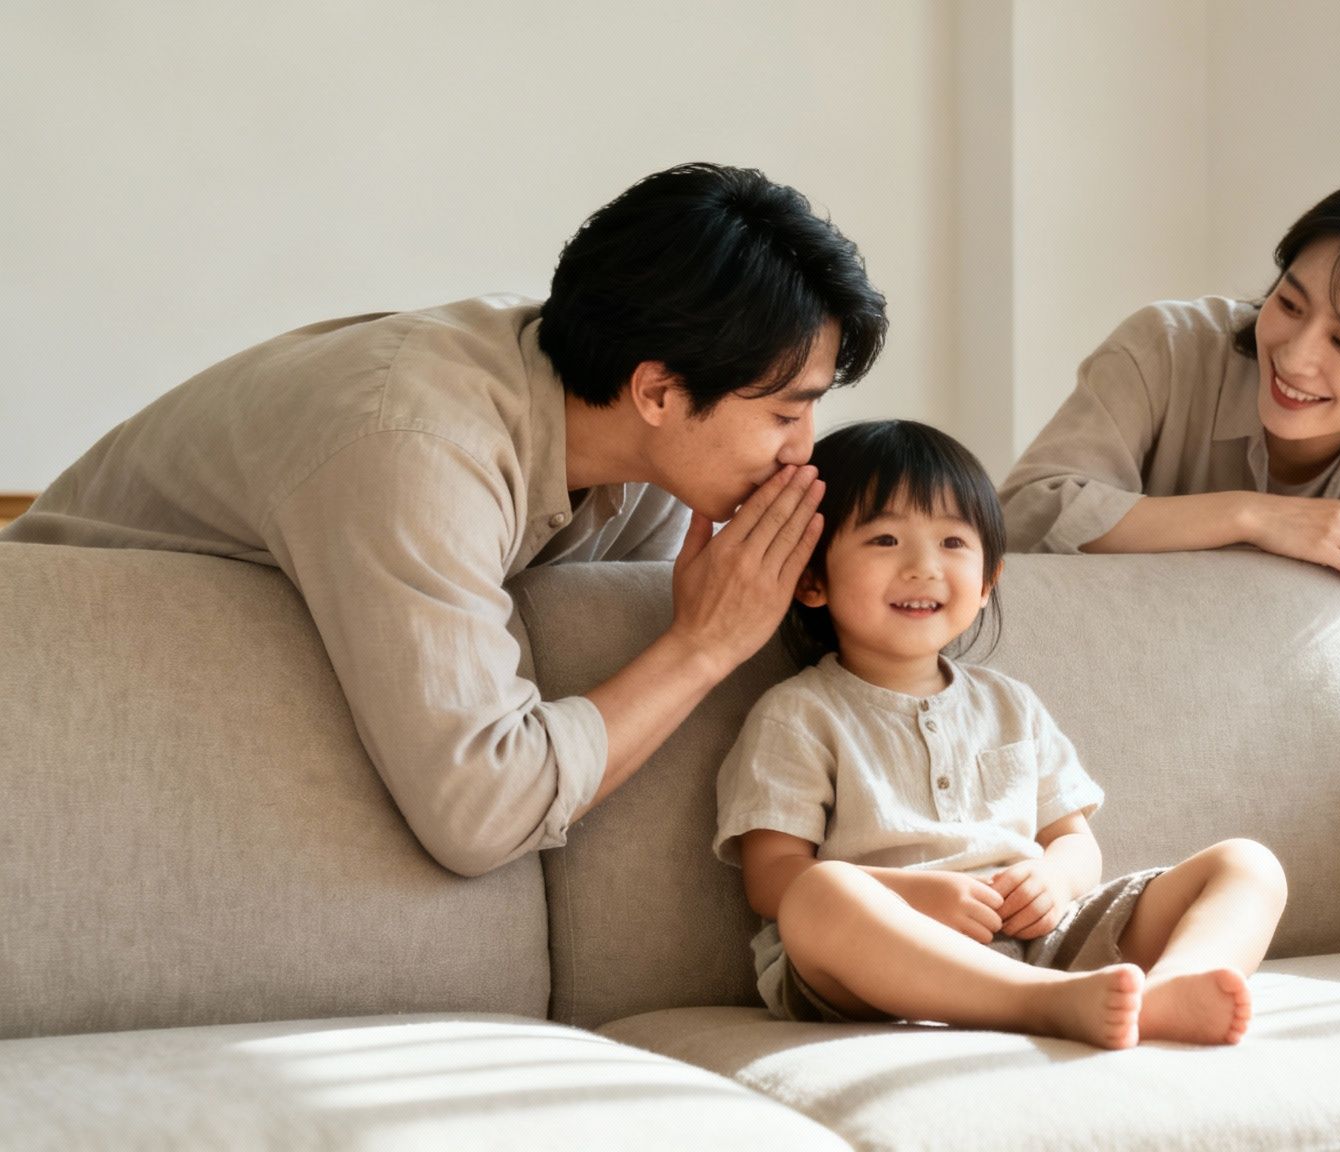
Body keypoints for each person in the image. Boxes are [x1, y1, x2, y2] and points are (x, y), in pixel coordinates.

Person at [0, 163, 887, 877]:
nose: (801, 449)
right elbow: (479, 811)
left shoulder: (646, 447)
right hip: (58, 694)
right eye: (785, 412)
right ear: (657, 391)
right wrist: (703, 645)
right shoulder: (415, 446)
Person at [715, 420, 1289, 1049]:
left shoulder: (1010, 704)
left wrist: (1053, 880)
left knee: (1248, 864)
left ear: (988, 581)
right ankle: (1039, 1005)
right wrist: (915, 897)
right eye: (884, 538)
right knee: (818, 895)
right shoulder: (799, 714)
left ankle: (1173, 988)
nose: (924, 567)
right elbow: (772, 879)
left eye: (952, 542)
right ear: (812, 580)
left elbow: (1074, 841)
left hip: (1040, 935)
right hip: (887, 955)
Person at [1000, 173, 1340, 647]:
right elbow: (1025, 512)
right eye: (1289, 304)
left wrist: (1323, 552)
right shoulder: (1166, 348)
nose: (1295, 358)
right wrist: (1251, 518)